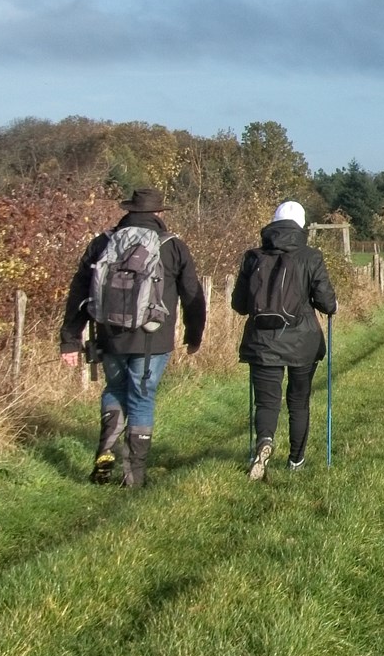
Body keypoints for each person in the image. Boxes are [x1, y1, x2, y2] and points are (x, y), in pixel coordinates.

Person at [59, 188, 207, 487]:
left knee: (115, 388)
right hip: (154, 339)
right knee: (142, 397)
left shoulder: (103, 242)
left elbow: (80, 292)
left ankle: (105, 451)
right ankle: (134, 474)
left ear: (127, 211)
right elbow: (193, 295)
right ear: (158, 213)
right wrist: (194, 334)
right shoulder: (172, 246)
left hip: (110, 335)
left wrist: (70, 339)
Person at [232, 199, 339, 478]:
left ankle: (265, 442)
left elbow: (239, 305)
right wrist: (331, 306)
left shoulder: (252, 256)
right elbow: (326, 302)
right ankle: (296, 460)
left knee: (267, 402)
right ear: (302, 225)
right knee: (298, 401)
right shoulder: (310, 256)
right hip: (303, 342)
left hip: (262, 341)